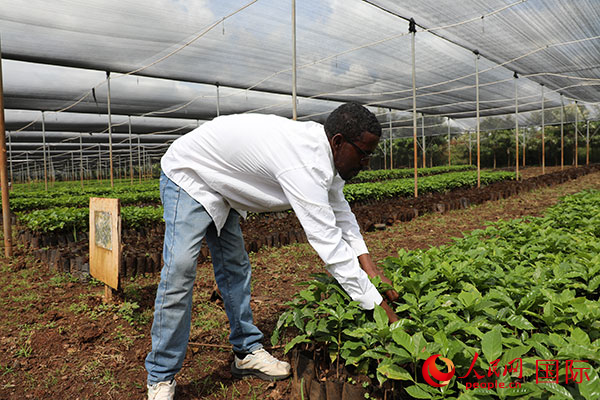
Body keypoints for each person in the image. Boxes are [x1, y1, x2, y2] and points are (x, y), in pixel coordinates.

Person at [145, 102, 399, 400]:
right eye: (364, 153)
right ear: (339, 142)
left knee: (235, 267)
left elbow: (340, 212)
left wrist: (369, 267)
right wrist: (382, 310)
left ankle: (246, 351)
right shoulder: (304, 164)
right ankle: (161, 376)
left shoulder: (326, 153)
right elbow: (329, 246)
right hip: (191, 172)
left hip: (225, 181)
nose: (366, 162)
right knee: (180, 269)